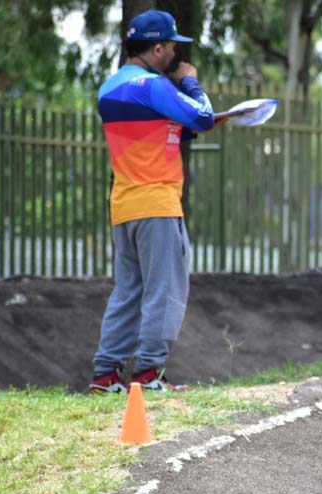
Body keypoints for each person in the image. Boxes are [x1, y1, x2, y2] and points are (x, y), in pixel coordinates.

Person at [88, 10, 215, 394]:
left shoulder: (109, 89)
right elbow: (204, 117)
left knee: (128, 291)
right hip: (158, 204)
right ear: (157, 48)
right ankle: (148, 374)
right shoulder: (156, 86)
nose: (176, 54)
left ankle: (106, 375)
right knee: (165, 289)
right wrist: (190, 83)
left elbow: (153, 131)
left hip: (124, 205)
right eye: (172, 47)